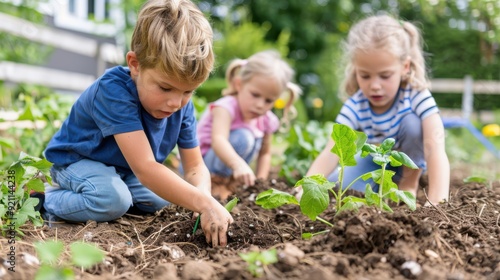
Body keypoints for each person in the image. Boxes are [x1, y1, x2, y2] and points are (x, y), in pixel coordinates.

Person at [42, 0, 233, 247]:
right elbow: (145, 168)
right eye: (165, 87)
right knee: (112, 201)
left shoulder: (182, 106)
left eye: (188, 92)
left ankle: (108, 194)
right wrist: (204, 204)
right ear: (135, 64)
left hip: (121, 171)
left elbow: (195, 166)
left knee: (161, 198)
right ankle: (45, 200)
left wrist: (203, 197)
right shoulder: (113, 92)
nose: (176, 102)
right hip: (77, 162)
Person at [299, 15, 450, 205]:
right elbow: (332, 150)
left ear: (405, 67)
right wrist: (307, 186)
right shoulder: (356, 105)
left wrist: (437, 199)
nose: (375, 86)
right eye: (365, 76)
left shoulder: (416, 96)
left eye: (385, 76)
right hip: (374, 164)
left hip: (408, 163)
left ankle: (409, 185)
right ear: (356, 70)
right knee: (340, 189)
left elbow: (435, 147)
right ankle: (380, 188)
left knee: (413, 123)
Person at [195, 50, 301, 188]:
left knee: (253, 140)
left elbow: (265, 153)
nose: (260, 105)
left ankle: (229, 184)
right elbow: (218, 141)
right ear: (239, 84)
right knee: (243, 138)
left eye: (268, 100)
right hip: (199, 166)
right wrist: (238, 165)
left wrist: (260, 184)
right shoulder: (225, 108)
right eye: (255, 95)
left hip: (230, 168)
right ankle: (217, 184)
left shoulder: (267, 119)